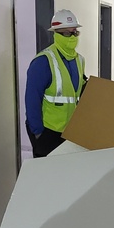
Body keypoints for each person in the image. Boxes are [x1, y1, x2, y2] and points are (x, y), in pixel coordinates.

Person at [25, 9, 86, 157]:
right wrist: (38, 133)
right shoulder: (43, 61)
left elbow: (78, 90)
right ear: (56, 33)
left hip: (70, 132)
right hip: (48, 131)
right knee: (48, 176)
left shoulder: (79, 59)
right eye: (66, 33)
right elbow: (32, 100)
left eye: (75, 33)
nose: (72, 37)